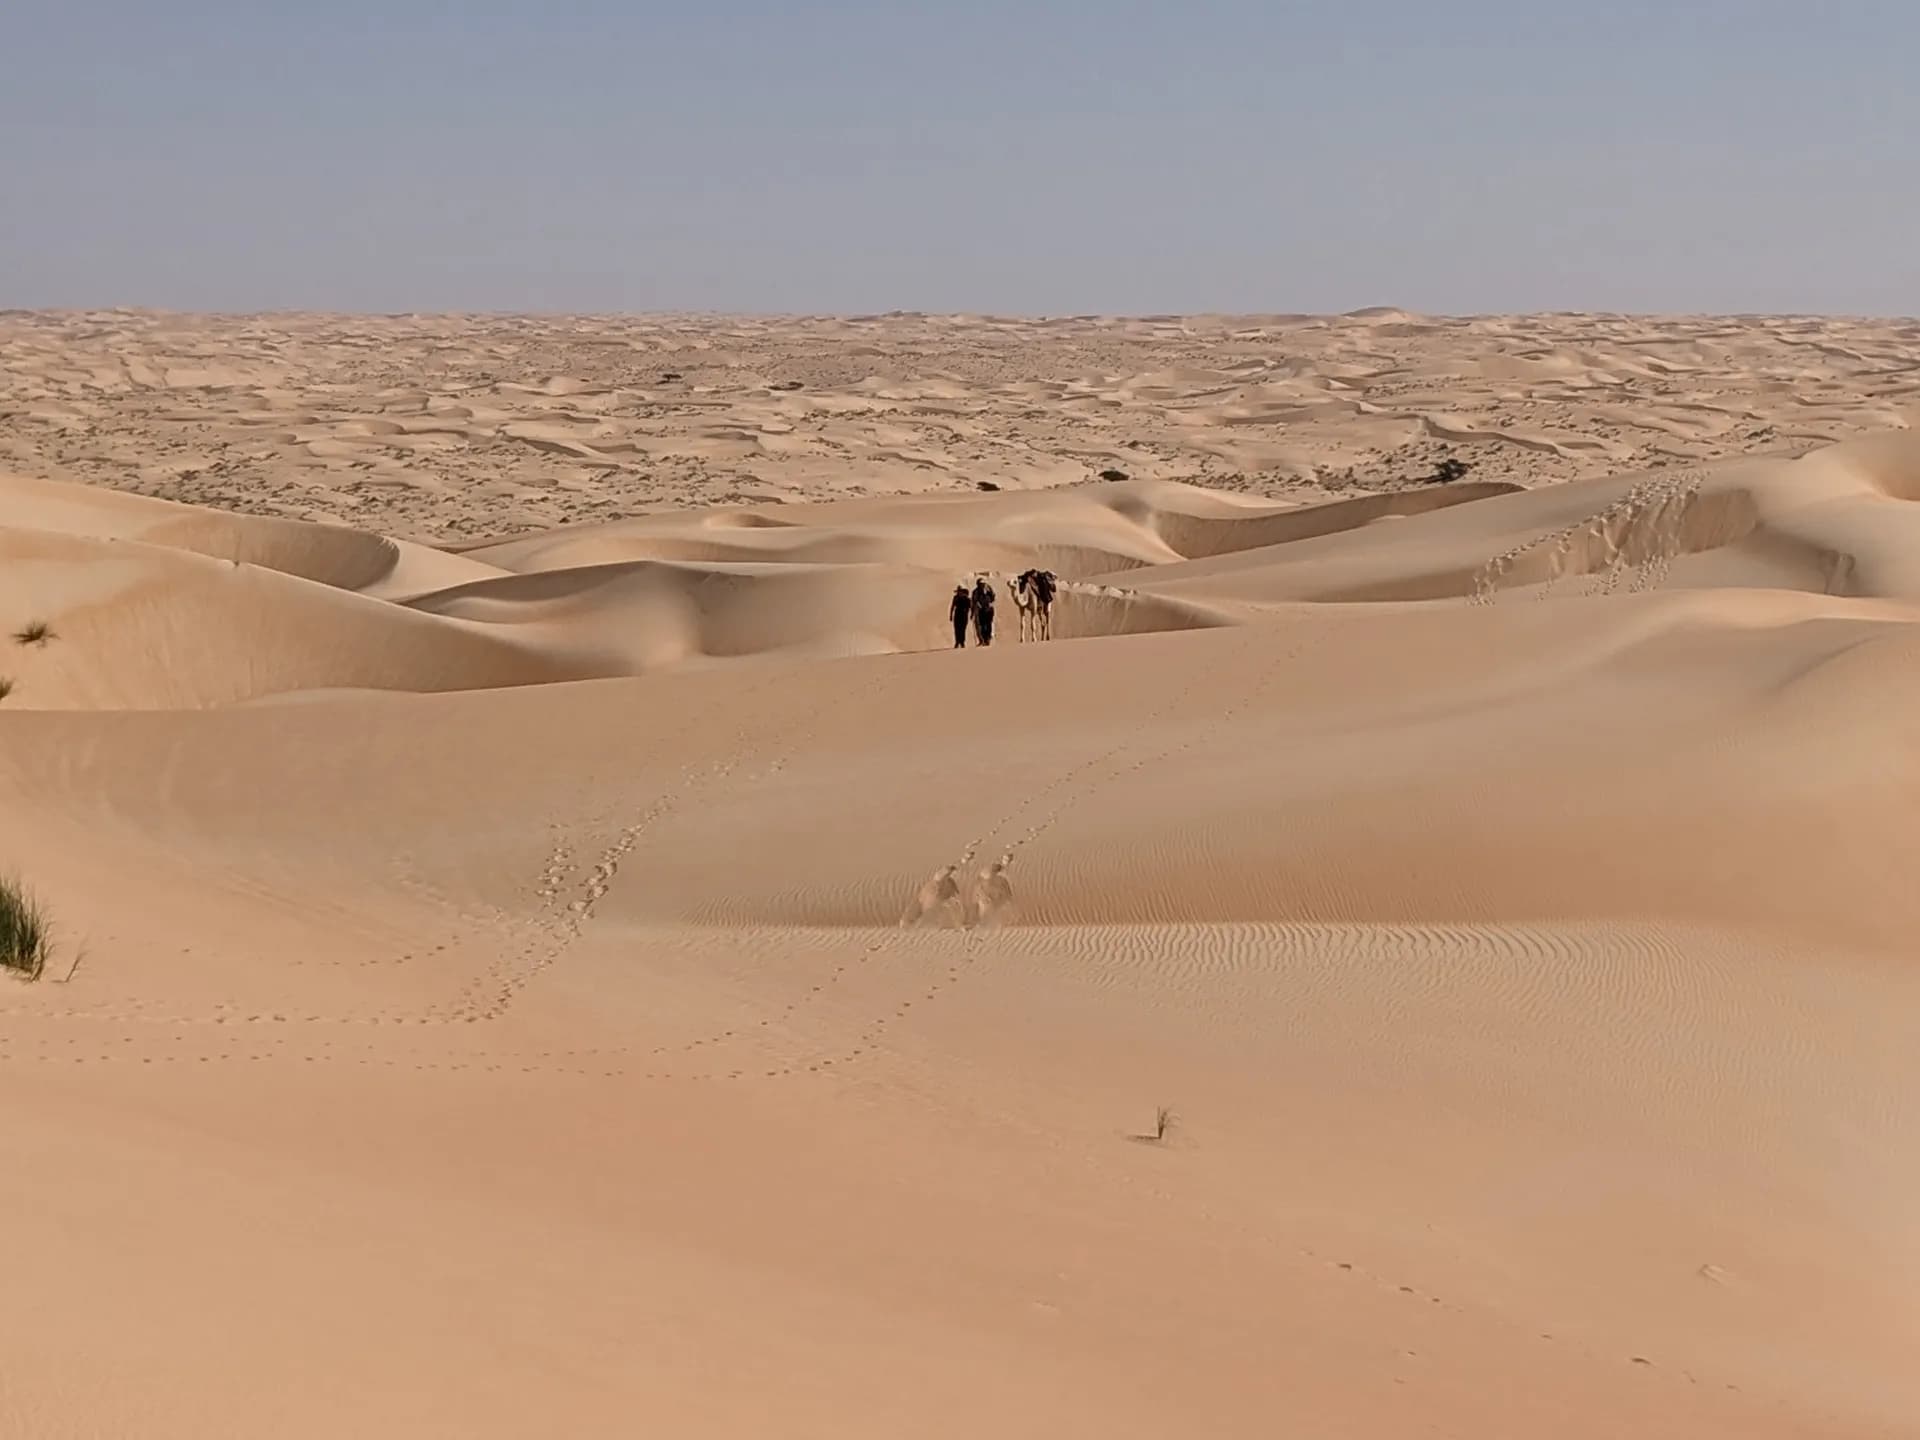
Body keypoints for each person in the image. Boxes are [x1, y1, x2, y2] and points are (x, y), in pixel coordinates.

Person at [971, 577, 996, 647]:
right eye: (980, 584)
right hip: (981, 610)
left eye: (982, 584)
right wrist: (972, 612)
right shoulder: (975, 591)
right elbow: (974, 601)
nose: (981, 585)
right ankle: (983, 640)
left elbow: (993, 597)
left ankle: (987, 639)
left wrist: (991, 603)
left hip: (989, 610)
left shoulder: (988, 589)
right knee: (982, 625)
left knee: (988, 624)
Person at [949, 584, 972, 648]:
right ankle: (957, 641)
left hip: (964, 615)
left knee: (962, 629)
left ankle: (962, 642)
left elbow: (970, 607)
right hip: (957, 615)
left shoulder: (966, 598)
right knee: (957, 629)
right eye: (958, 591)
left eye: (960, 591)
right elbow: (953, 606)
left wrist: (971, 614)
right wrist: (951, 615)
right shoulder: (955, 597)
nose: (959, 592)